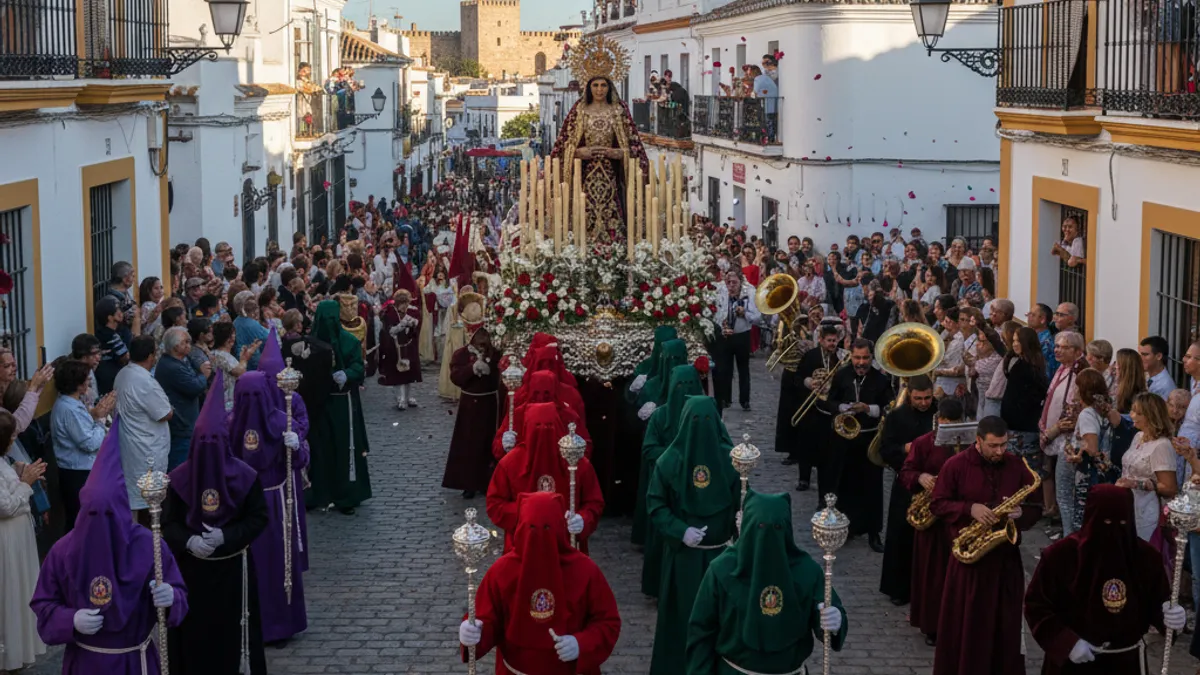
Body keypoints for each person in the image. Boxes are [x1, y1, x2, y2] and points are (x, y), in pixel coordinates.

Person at [31, 419, 187, 675]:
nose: (101, 524)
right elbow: (45, 605)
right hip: (85, 662)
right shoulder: (62, 551)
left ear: (122, 510)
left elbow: (178, 595)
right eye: (93, 514)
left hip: (135, 662)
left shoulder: (149, 546)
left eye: (109, 515)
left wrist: (171, 596)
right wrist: (70, 619)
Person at [163, 373, 268, 674]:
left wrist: (227, 535)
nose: (209, 447)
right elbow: (169, 525)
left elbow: (258, 518)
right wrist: (189, 540)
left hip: (235, 570)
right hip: (193, 571)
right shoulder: (179, 480)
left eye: (215, 442)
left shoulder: (246, 477)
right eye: (203, 442)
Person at [457, 491, 621, 674]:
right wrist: (472, 632)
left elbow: (607, 621)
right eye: (532, 528)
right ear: (521, 528)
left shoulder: (585, 570)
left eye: (548, 529)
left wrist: (581, 644)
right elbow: (486, 619)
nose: (540, 538)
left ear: (559, 528)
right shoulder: (502, 571)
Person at [1024, 484, 1182, 673]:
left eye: (1122, 524)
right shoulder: (1061, 556)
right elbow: (1037, 606)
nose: (1114, 531)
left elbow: (1158, 604)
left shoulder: (1146, 558)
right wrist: (1066, 642)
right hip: (1074, 663)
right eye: (1106, 522)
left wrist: (1171, 617)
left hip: (1126, 662)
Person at [685, 490, 847, 674]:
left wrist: (835, 620)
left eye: (777, 528)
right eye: (760, 526)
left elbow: (825, 608)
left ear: (787, 529)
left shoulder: (807, 571)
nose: (768, 537)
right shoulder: (722, 570)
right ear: (748, 527)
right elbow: (701, 631)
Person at [930, 416, 1039, 675]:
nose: (1000, 451)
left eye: (1004, 445)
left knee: (1005, 627)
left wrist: (1021, 514)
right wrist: (970, 508)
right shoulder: (955, 465)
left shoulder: (1016, 466)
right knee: (968, 627)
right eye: (993, 446)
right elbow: (938, 504)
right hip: (970, 562)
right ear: (978, 441)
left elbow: (1036, 506)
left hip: (1005, 561)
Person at [646, 396, 739, 674]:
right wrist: (680, 530)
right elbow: (656, 503)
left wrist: (742, 519)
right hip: (684, 558)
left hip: (722, 557)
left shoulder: (731, 460)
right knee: (682, 621)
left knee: (720, 622)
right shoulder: (669, 461)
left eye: (707, 421)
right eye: (695, 421)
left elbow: (743, 499)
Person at [228, 368, 308, 645]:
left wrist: (296, 445)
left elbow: (300, 460)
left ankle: (279, 624)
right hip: (242, 505)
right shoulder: (229, 424)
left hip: (274, 501)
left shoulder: (280, 421)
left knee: (276, 564)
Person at [487, 402, 604, 554]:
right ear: (527, 429)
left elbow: (594, 501)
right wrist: (529, 514)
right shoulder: (509, 463)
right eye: (537, 426)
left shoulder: (575, 460)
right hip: (522, 545)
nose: (542, 432)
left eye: (549, 426)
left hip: (566, 544)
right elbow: (495, 504)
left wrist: (583, 519)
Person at [549, 72, 650, 243]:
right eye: (595, 85)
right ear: (588, 87)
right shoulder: (579, 110)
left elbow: (633, 145)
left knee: (614, 211)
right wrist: (578, 152)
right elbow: (564, 143)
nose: (599, 89)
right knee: (583, 209)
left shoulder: (619, 110)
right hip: (584, 175)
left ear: (609, 87)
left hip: (611, 174)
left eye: (603, 85)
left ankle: (616, 244)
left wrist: (619, 153)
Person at [899, 397, 965, 646]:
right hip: (932, 520)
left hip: (958, 517)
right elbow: (906, 472)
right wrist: (921, 477)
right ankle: (933, 626)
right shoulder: (923, 443)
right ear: (938, 421)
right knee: (933, 575)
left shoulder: (970, 445)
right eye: (944, 424)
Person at [820, 338, 895, 552]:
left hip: (869, 439)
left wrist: (868, 408)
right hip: (844, 438)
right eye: (857, 358)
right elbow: (828, 401)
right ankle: (847, 526)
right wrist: (842, 407)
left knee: (872, 486)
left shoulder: (881, 380)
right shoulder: (842, 375)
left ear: (872, 358)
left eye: (865, 358)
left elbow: (889, 407)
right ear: (851, 356)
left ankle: (873, 533)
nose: (861, 363)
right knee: (844, 482)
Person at [638, 364, 703, 598]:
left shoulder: (704, 413)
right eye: (679, 386)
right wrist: (673, 461)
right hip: (669, 486)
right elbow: (649, 449)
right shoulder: (661, 415)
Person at [307, 300, 372, 515]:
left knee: (345, 447)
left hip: (342, 402)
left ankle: (348, 494)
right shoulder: (311, 343)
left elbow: (358, 367)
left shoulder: (349, 341)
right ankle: (321, 492)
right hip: (319, 402)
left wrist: (348, 374)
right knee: (321, 447)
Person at [878, 376, 937, 607]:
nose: (924, 403)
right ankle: (899, 588)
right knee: (901, 534)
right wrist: (905, 448)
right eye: (918, 398)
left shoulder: (939, 413)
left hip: (935, 481)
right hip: (907, 481)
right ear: (910, 395)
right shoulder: (896, 416)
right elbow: (886, 450)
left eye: (927, 398)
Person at [0, 408, 47, 672]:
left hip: (17, 537)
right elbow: (4, 506)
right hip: (6, 541)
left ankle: (15, 654)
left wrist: (19, 472)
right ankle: (7, 655)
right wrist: (25, 483)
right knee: (10, 592)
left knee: (20, 591)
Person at [114, 335, 174, 524]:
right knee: (148, 503)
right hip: (145, 449)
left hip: (134, 445)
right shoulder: (144, 381)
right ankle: (148, 544)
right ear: (151, 356)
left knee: (138, 497)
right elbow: (165, 413)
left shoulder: (123, 373)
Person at [50, 360, 113, 532]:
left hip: (79, 470)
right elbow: (90, 443)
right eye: (85, 379)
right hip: (77, 473)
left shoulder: (72, 404)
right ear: (77, 383)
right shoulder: (69, 409)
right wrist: (100, 419)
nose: (88, 382)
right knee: (80, 522)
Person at [441, 323, 501, 500]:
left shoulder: (495, 353)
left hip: (489, 404)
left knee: (488, 443)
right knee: (468, 444)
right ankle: (468, 483)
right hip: (469, 406)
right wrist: (471, 369)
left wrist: (491, 372)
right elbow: (455, 376)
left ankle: (487, 482)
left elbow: (499, 376)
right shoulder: (461, 354)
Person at [1117, 393, 1178, 542]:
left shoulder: (1162, 445)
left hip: (1146, 512)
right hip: (1128, 505)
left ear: (1151, 416)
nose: (1132, 415)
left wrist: (1136, 484)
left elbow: (1170, 488)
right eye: (1132, 411)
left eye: (1138, 413)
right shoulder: (1138, 437)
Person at [792, 324, 842, 491]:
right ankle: (803, 478)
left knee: (825, 447)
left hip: (829, 407)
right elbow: (798, 378)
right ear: (820, 340)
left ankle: (826, 482)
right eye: (829, 340)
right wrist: (809, 382)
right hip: (811, 405)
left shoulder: (840, 358)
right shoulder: (811, 356)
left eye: (835, 340)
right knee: (806, 442)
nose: (832, 344)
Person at [156, 327, 212, 471]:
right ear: (176, 346)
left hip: (187, 421)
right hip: (181, 424)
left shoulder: (181, 360)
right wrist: (203, 375)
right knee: (180, 467)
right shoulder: (172, 366)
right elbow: (194, 387)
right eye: (185, 342)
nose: (189, 345)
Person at [714, 270, 760, 411]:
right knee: (725, 368)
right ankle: (725, 399)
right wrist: (722, 323)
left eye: (734, 283)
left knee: (743, 369)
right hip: (725, 335)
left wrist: (744, 313)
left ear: (740, 282)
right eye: (729, 282)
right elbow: (713, 312)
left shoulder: (750, 292)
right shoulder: (720, 291)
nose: (731, 286)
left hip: (742, 334)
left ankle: (744, 400)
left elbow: (757, 317)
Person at [378, 288, 423, 410]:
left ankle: (408, 397)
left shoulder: (412, 311)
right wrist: (402, 324)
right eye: (403, 304)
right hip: (395, 347)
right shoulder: (390, 313)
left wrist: (413, 324)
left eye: (407, 303)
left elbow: (416, 328)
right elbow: (390, 331)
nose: (405, 306)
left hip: (409, 346)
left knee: (409, 373)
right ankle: (400, 398)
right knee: (398, 373)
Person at [94, 296, 132, 395]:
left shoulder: (115, 331)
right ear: (110, 317)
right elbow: (125, 357)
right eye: (117, 310)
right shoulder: (109, 335)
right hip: (109, 378)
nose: (121, 313)